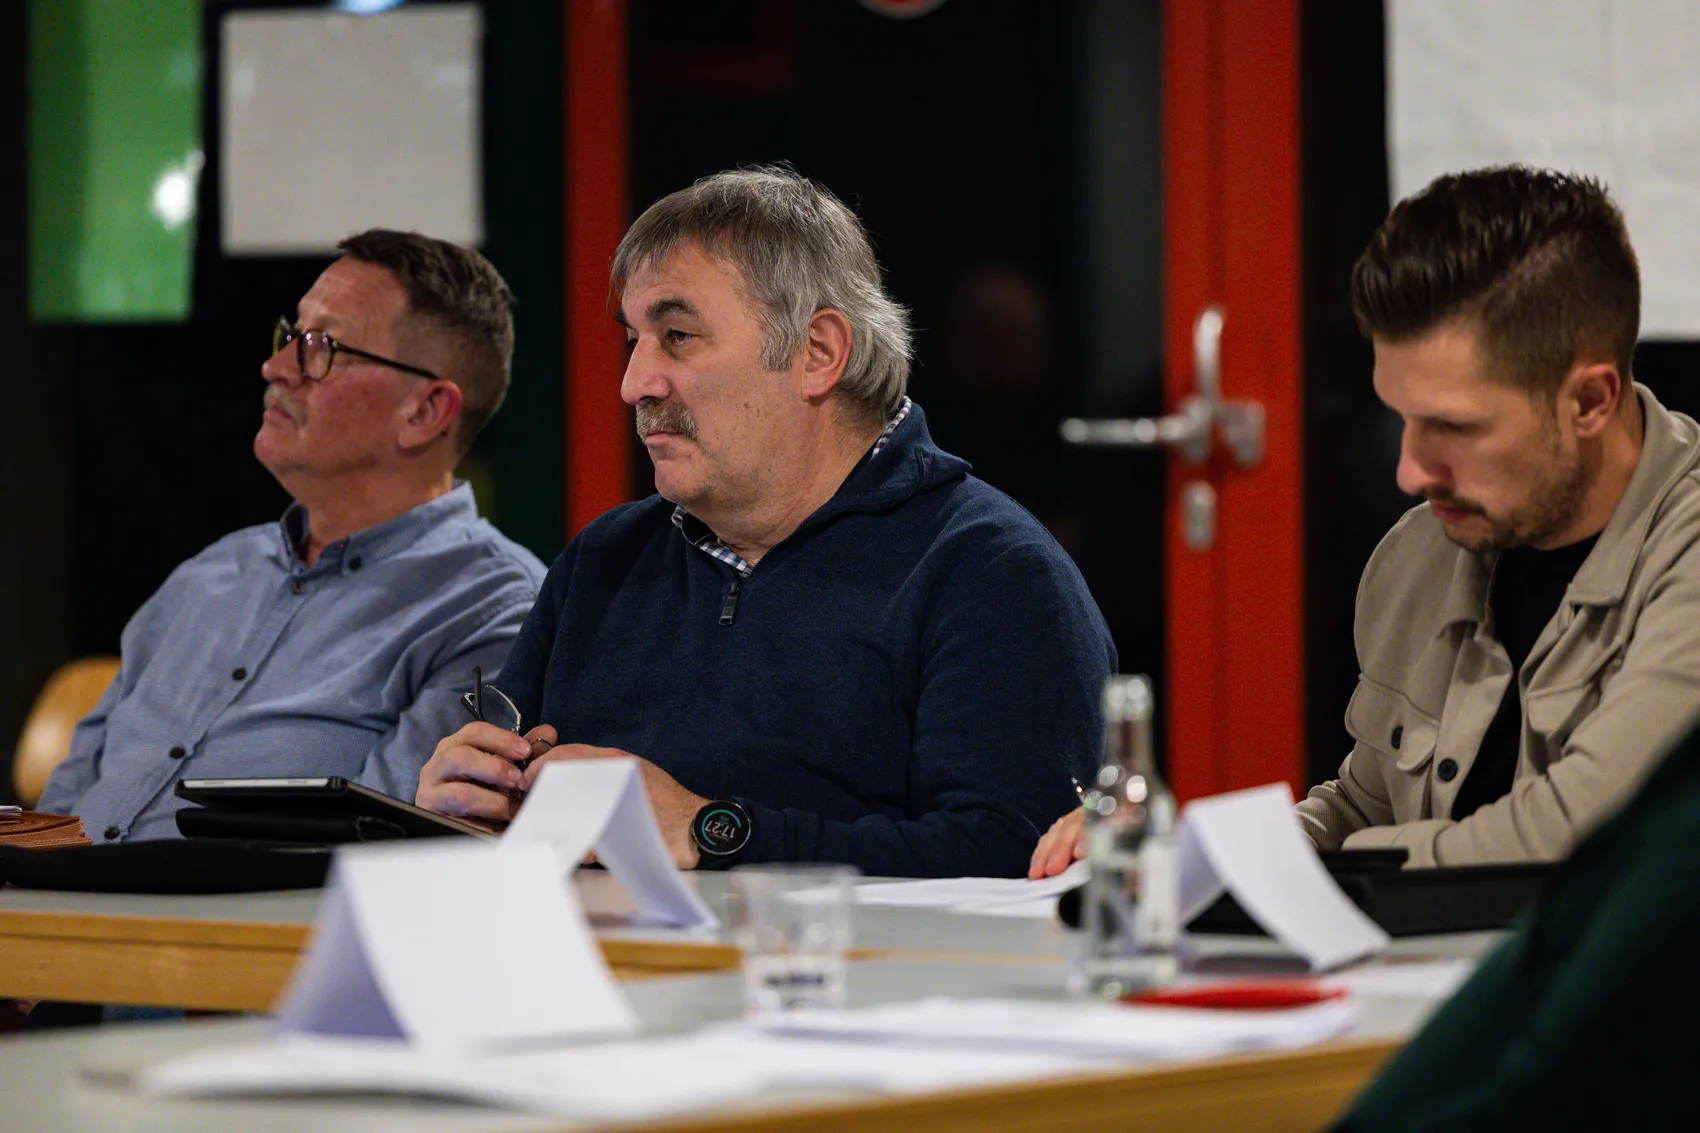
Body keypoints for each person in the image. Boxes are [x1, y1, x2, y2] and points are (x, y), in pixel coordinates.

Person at [416, 166, 1115, 878]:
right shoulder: (604, 559)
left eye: (678, 336)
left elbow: (1012, 857)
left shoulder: (993, 574)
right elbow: (514, 809)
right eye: (634, 341)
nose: (634, 384)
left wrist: (710, 829)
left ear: (818, 354)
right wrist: (467, 810)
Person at [1031, 165, 1700, 877]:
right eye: (1401, 418)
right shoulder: (1424, 549)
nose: (1410, 472)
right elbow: (1364, 806)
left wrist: (1286, 871)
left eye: (1454, 427)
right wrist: (1188, 857)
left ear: (1590, 402)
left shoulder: (1683, 551)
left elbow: (1574, 841)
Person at [40, 230, 546, 843]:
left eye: (321, 347)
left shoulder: (494, 610)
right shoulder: (208, 575)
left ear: (424, 411)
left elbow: (372, 846)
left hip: (242, 908)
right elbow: (57, 813)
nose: (275, 367)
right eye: (290, 336)